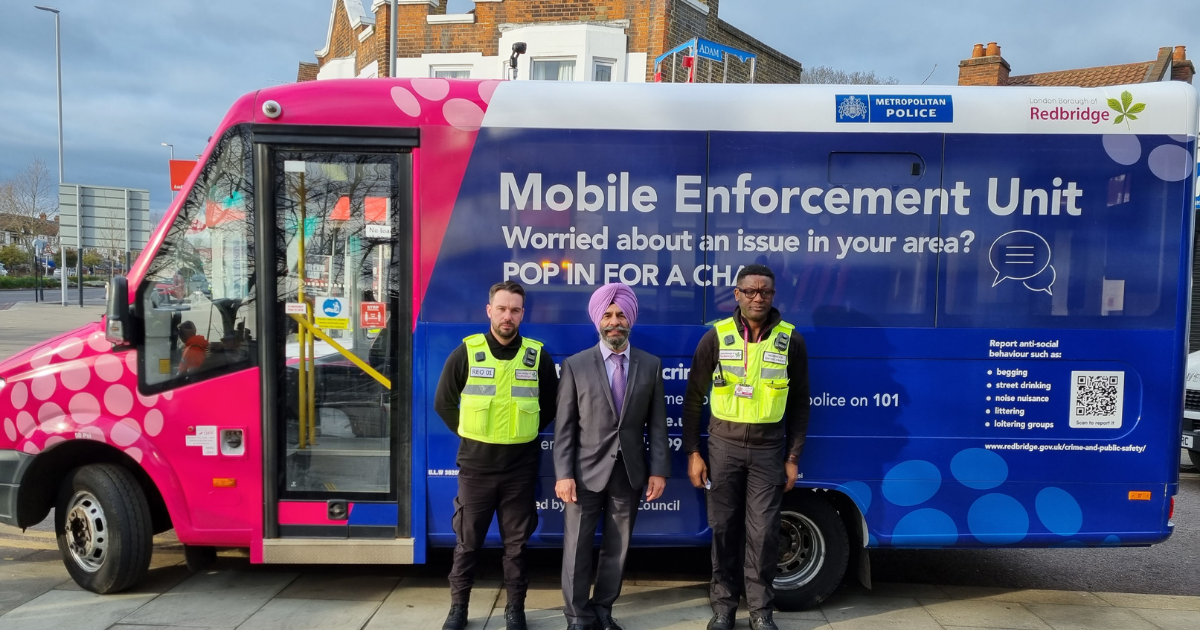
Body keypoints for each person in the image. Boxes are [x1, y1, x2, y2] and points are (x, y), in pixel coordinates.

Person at [682, 264, 810, 630]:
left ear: (773, 296)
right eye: (750, 291)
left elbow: (801, 403)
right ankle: (723, 608)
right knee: (723, 529)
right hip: (722, 448)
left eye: (765, 292)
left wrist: (793, 457)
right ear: (736, 294)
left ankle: (760, 612)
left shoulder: (790, 340)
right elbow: (693, 399)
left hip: (770, 451)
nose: (758, 297)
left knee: (764, 533)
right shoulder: (716, 337)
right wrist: (693, 453)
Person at [434, 280, 558, 630]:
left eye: (515, 310)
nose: (508, 316)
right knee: (467, 544)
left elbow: (551, 405)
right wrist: (473, 436)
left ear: (522, 313)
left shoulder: (537, 356)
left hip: (520, 470)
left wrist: (523, 432)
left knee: (516, 548)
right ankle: (458, 608)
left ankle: (514, 609)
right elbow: (443, 402)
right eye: (502, 308)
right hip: (476, 468)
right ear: (489, 310)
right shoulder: (467, 353)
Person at [554, 283, 669, 630]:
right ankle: (577, 616)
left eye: (620, 314)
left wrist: (659, 470)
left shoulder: (650, 365)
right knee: (576, 547)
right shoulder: (575, 365)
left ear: (630, 318)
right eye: (608, 314)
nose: (614, 321)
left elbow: (658, 425)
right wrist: (563, 473)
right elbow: (564, 428)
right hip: (583, 474)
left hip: (630, 473)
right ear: (597, 320)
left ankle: (603, 609)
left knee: (617, 548)